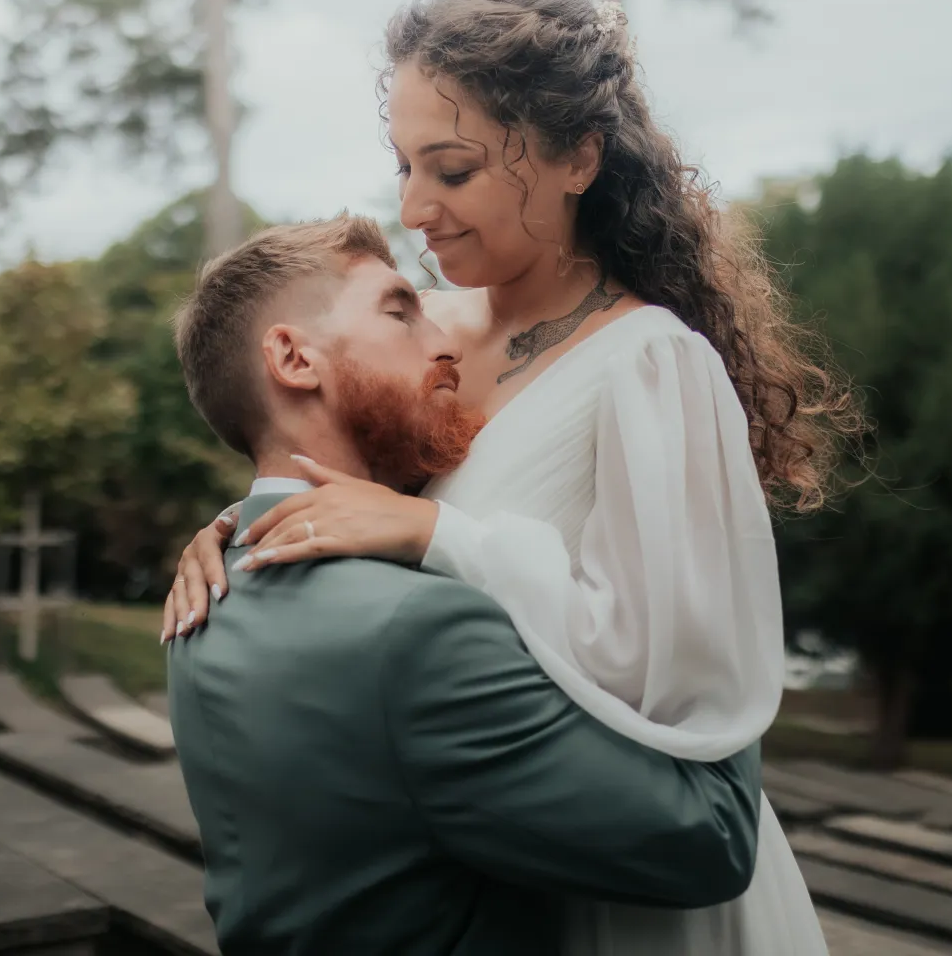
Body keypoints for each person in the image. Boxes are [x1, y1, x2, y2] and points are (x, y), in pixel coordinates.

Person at [167, 0, 862, 955]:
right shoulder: (427, 329)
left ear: (578, 155)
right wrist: (240, 527)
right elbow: (323, 455)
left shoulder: (652, 366)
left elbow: (677, 673)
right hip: (486, 861)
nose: (413, 207)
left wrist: (442, 532)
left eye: (452, 170)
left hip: (637, 877)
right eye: (403, 164)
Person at [166, 215, 764, 956]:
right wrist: (714, 612)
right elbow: (713, 841)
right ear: (292, 357)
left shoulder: (203, 605)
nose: (447, 343)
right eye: (399, 312)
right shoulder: (425, 632)